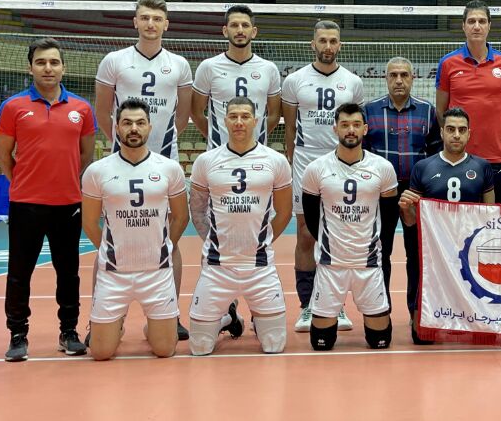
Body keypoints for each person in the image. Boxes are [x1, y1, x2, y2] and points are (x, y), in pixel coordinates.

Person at [94, 0, 194, 340]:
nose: (151, 24)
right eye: (145, 18)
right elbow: (102, 111)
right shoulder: (114, 60)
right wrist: (125, 147)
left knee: (170, 238)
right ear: (135, 22)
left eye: (157, 18)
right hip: (120, 162)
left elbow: (183, 116)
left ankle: (170, 315)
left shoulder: (179, 64)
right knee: (111, 237)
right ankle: (108, 318)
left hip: (164, 161)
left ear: (167, 24)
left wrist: (155, 150)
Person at [0, 37, 96, 362]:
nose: (48, 68)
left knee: (69, 273)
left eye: (54, 62)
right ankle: (17, 335)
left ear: (63, 67)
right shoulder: (13, 107)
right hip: (26, 204)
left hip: (68, 204)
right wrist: (25, 183)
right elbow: (4, 155)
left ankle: (69, 331)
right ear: (30, 68)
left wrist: (64, 181)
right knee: (19, 272)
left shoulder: (82, 108)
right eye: (41, 62)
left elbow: (86, 155)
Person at [80, 99, 189, 360]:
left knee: (165, 350)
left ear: (149, 127)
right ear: (117, 128)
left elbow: (181, 217)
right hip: (114, 273)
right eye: (127, 123)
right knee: (101, 353)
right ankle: (115, 325)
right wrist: (110, 251)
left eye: (140, 123)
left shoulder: (169, 168)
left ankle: (152, 327)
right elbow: (90, 222)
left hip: (156, 272)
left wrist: (164, 248)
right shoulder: (97, 171)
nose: (133, 129)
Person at [187, 96, 293, 355]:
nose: (239, 122)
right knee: (199, 347)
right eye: (233, 116)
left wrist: (262, 241)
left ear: (255, 121)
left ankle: (259, 317)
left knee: (274, 345)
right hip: (217, 267)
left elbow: (284, 211)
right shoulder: (206, 161)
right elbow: (197, 209)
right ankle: (227, 318)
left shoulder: (275, 161)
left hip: (259, 267)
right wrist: (213, 242)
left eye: (245, 116)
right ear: (224, 121)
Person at [281, 20, 365, 333]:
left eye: (333, 41)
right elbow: (289, 128)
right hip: (306, 162)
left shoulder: (352, 82)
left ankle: (334, 304)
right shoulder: (295, 80)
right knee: (305, 234)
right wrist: (294, 160)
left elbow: (355, 127)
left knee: (337, 236)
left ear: (339, 45)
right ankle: (307, 305)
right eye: (322, 41)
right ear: (312, 44)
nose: (327, 46)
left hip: (340, 164)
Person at [301, 103, 399, 351]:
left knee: (380, 342)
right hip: (331, 265)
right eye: (344, 125)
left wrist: (380, 249)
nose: (351, 130)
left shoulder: (383, 168)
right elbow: (311, 217)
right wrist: (328, 245)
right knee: (321, 344)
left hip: (368, 265)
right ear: (335, 129)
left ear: (365, 129)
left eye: (356, 125)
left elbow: (389, 218)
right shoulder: (316, 169)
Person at [399, 107, 495, 344]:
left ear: (469, 134)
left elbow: (490, 215)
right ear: (442, 132)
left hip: (470, 248)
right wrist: (405, 207)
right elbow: (411, 221)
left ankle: (475, 314)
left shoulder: (482, 167)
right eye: (451, 129)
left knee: (483, 334)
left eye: (462, 130)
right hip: (435, 249)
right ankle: (421, 314)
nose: (456, 135)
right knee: (421, 337)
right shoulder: (423, 167)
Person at [363, 56, 440, 315]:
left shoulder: (427, 111)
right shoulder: (369, 110)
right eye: (393, 75)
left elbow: (435, 155)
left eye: (404, 75)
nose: (399, 80)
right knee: (379, 253)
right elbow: (362, 155)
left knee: (416, 255)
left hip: (415, 193)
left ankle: (416, 312)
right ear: (385, 78)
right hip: (380, 194)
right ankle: (380, 309)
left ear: (412, 78)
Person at [435, 0, 501, 195]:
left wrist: (496, 136)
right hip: (458, 156)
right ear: (463, 26)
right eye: (471, 21)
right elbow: (441, 111)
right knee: (459, 212)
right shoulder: (447, 63)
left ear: (489, 26)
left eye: (482, 21)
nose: (477, 26)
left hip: (496, 156)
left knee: (495, 212)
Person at [191, 4, 282, 148]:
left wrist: (253, 140)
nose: (240, 30)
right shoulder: (208, 66)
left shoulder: (269, 69)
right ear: (225, 31)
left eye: (245, 25)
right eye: (234, 25)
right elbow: (196, 112)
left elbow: (274, 115)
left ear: (254, 32)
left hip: (256, 154)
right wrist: (216, 140)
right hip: (219, 153)